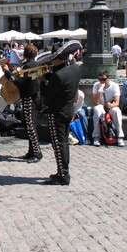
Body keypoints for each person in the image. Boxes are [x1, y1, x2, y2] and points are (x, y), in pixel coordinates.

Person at [38, 40, 82, 185]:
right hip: (68, 111)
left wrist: (43, 80)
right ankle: (62, 171)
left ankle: (63, 175)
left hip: (56, 113)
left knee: (58, 144)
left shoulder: (58, 76)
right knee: (63, 142)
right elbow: (64, 86)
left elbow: (48, 96)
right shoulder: (75, 69)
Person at [0, 44, 43, 162]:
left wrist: (8, 72)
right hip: (35, 97)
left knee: (30, 126)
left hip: (29, 98)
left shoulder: (28, 66)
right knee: (31, 125)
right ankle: (31, 151)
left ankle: (37, 153)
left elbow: (18, 81)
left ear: (25, 54)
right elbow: (27, 79)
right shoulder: (37, 64)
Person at [91, 70, 125, 147]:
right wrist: (99, 91)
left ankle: (120, 136)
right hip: (101, 105)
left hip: (110, 106)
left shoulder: (114, 86)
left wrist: (110, 105)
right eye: (99, 79)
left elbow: (117, 103)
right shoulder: (96, 85)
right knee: (97, 109)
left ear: (108, 78)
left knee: (117, 111)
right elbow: (95, 102)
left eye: (103, 79)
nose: (101, 81)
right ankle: (96, 137)